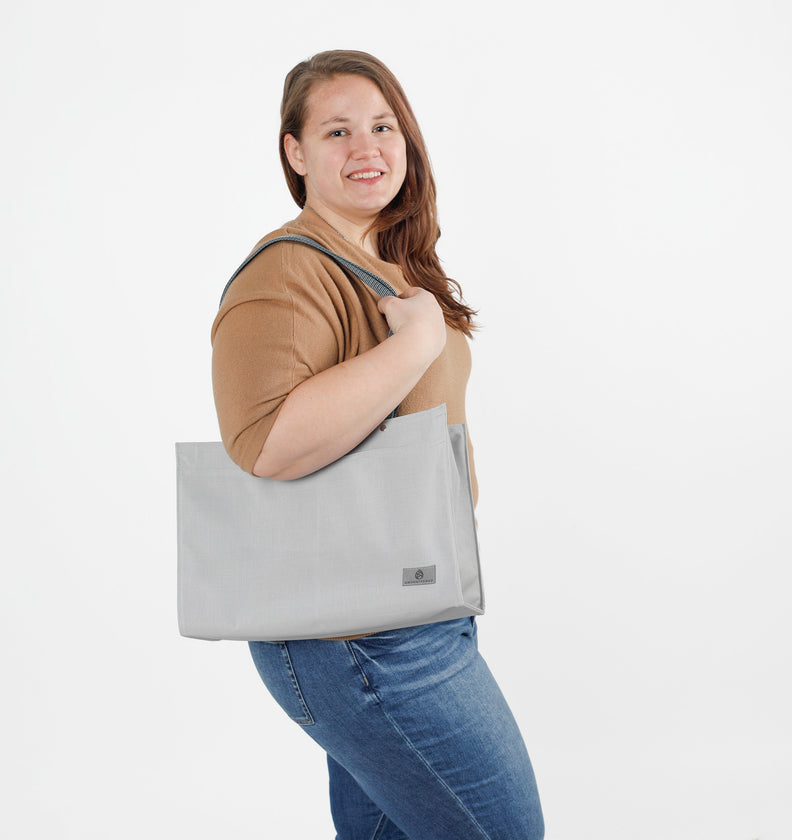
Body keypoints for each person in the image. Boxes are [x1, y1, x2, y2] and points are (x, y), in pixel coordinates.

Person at [211, 49, 544, 840]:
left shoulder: (389, 266)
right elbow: (266, 444)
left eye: (383, 126)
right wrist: (414, 346)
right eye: (337, 131)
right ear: (295, 152)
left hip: (410, 608)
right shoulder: (286, 272)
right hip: (360, 638)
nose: (366, 147)